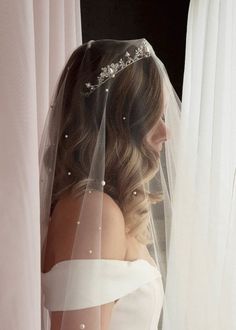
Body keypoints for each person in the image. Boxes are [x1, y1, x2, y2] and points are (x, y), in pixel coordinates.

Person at [40, 38, 180, 330]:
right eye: (155, 115)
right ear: (120, 121)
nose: (166, 131)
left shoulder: (99, 207)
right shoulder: (92, 211)